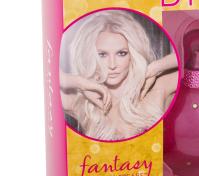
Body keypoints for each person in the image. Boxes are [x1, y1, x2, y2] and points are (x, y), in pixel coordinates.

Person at [60, 10, 178, 140]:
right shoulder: (83, 105)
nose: (112, 65)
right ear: (91, 56)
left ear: (132, 54)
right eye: (102, 54)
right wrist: (79, 82)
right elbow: (46, 75)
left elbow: (192, 56)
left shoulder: (156, 89)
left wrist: (156, 67)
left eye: (121, 53)